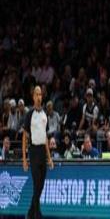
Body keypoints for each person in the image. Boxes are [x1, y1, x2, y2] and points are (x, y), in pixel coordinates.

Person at [22, 86, 54, 219]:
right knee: (36, 184)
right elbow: (24, 137)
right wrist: (24, 159)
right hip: (33, 151)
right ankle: (37, 215)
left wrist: (49, 157)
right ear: (33, 97)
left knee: (40, 186)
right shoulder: (29, 114)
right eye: (36, 94)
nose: (39, 97)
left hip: (42, 152)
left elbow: (46, 138)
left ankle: (30, 213)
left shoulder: (44, 114)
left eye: (40, 94)